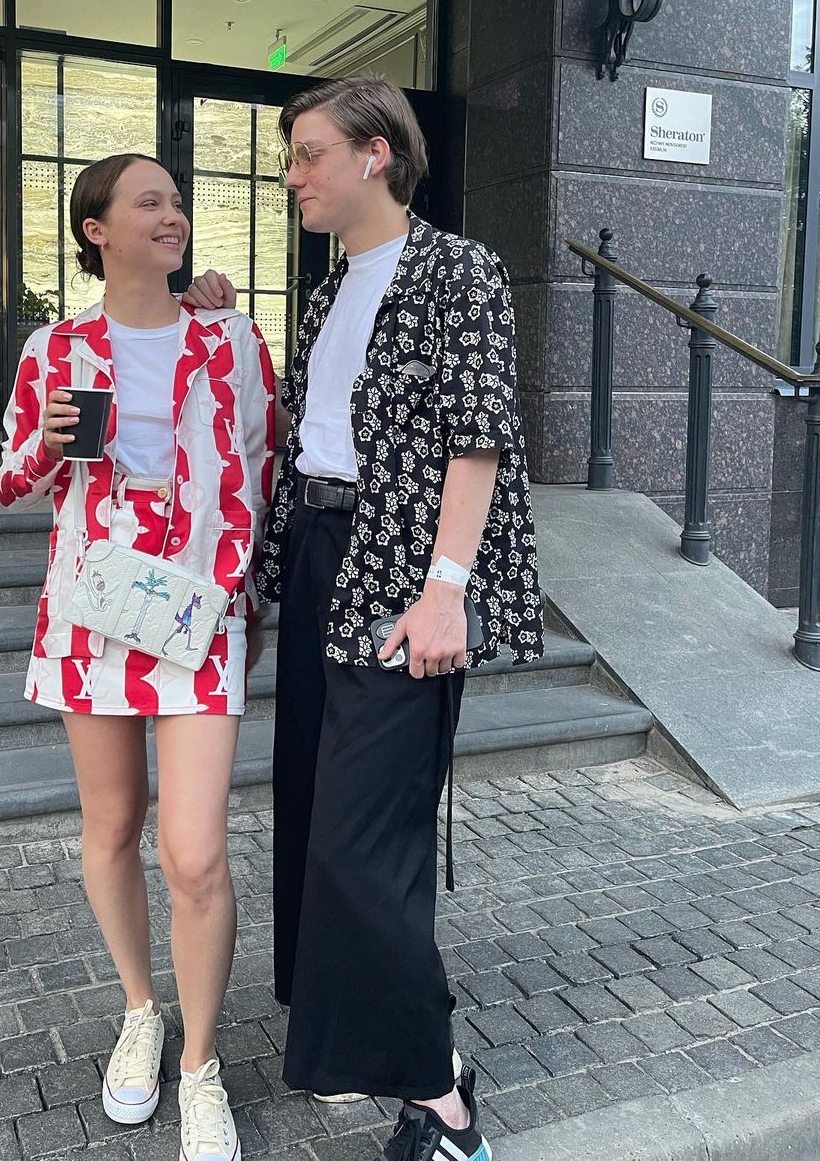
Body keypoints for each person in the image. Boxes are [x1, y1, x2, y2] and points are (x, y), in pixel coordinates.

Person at [186, 76, 543, 1161]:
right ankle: (348, 1043)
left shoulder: (458, 270)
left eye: (308, 153)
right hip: (319, 557)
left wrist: (448, 589)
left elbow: (479, 435)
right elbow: (314, 432)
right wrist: (222, 330)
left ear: (375, 153)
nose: (292, 175)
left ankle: (440, 1094)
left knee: (361, 841)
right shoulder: (330, 288)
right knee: (310, 813)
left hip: (404, 573)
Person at [0, 153, 276, 1161]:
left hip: (199, 611)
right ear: (96, 229)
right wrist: (46, 443)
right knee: (112, 824)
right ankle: (139, 1009)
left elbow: (263, 462)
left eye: (177, 202)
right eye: (149, 202)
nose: (173, 215)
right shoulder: (56, 347)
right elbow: (13, 479)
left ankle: (200, 1066)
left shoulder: (230, 336)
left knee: (193, 852)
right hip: (96, 609)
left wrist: (243, 587)